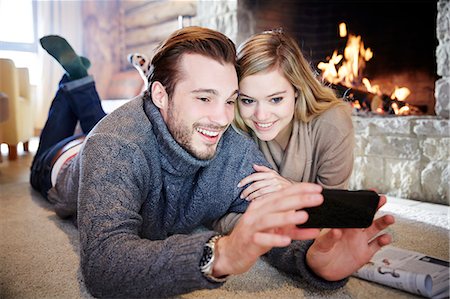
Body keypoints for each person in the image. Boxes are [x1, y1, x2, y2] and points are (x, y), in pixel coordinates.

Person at [30, 27, 394, 298]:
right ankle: (73, 82)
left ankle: (76, 80)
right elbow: (104, 264)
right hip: (63, 164)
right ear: (160, 94)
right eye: (204, 98)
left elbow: (263, 223)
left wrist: (313, 259)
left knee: (87, 116)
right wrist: (217, 253)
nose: (221, 118)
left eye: (230, 100)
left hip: (113, 135)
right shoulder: (114, 147)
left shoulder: (234, 148)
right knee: (52, 145)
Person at [234, 30, 355, 201]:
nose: (261, 115)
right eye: (248, 101)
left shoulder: (333, 123)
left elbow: (334, 206)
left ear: (297, 90)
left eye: (275, 99)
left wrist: (290, 190)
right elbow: (219, 211)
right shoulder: (234, 125)